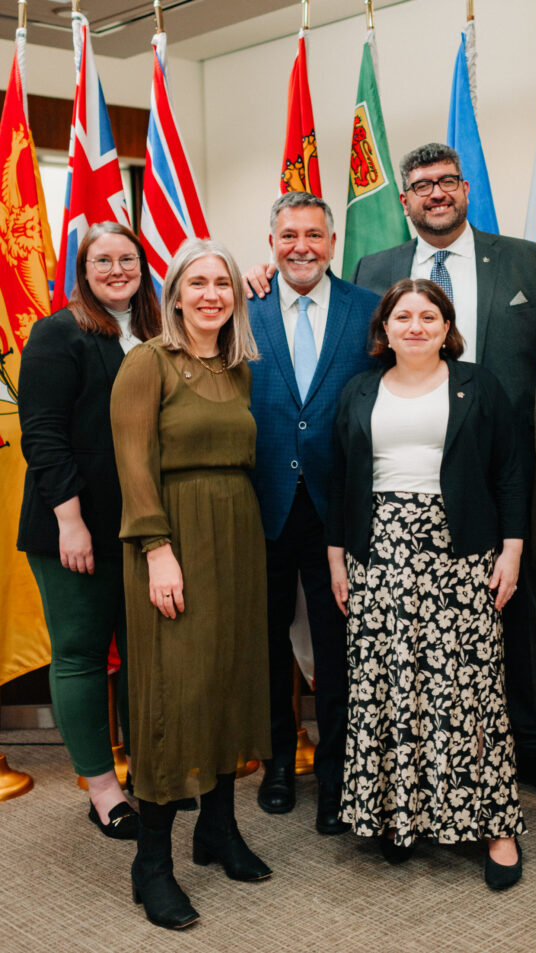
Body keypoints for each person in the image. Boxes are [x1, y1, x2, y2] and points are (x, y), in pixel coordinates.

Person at [245, 143, 536, 806]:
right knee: (408, 637)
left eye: (446, 182)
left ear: (465, 190)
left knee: (508, 623)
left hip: (501, 476)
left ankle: (530, 747)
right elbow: (346, 336)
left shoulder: (525, 259)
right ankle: (416, 761)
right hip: (403, 488)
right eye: (421, 185)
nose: (435, 193)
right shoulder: (376, 266)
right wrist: (262, 274)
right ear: (403, 200)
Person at [327, 279, 526, 889]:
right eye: (403, 316)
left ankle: (495, 824)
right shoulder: (359, 388)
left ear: (447, 326)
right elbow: (342, 478)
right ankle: (400, 815)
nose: (415, 326)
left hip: (460, 550)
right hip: (378, 551)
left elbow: (512, 472)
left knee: (467, 685)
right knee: (390, 684)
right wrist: (338, 559)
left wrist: (512, 552)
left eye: (428, 316)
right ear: (384, 328)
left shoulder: (478, 386)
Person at [110, 239, 272, 930]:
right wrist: (157, 548)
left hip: (236, 533)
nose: (211, 293)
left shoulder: (237, 368)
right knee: (174, 690)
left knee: (230, 675)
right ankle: (152, 860)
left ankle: (218, 826)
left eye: (224, 283)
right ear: (174, 293)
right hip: (171, 537)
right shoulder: (147, 362)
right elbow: (132, 461)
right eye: (197, 282)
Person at [17, 221, 160, 840]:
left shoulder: (159, 330)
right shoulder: (59, 332)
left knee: (144, 655)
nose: (116, 270)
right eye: (102, 261)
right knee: (79, 655)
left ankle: (148, 771)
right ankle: (102, 788)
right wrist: (70, 522)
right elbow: (42, 436)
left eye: (127, 258)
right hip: (74, 529)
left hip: (144, 528)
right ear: (83, 269)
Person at [246, 192, 379, 835]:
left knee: (338, 650)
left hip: (339, 511)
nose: (301, 245)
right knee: (267, 645)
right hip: (260, 506)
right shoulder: (242, 309)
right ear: (271, 242)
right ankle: (278, 762)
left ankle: (336, 778)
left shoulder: (368, 310)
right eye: (288, 234)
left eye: (314, 235)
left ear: (332, 242)